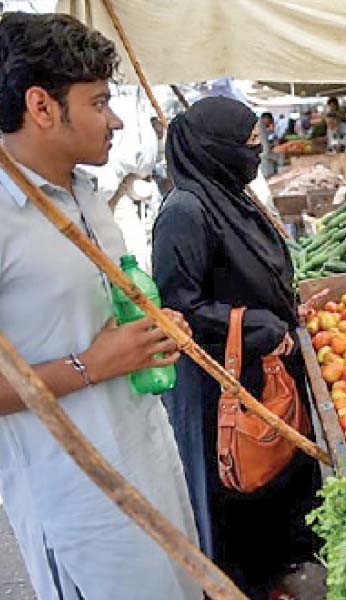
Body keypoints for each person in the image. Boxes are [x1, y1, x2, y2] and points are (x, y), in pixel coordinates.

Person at [0, 12, 201, 600]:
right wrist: (94, 364)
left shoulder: (87, 193)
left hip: (148, 456)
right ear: (42, 107)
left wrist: (150, 333)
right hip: (78, 496)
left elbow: (105, 319)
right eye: (98, 103)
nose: (114, 120)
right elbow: (94, 352)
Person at [152, 96, 322, 597]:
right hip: (217, 386)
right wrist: (257, 325)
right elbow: (178, 308)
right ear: (215, 149)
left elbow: (253, 274)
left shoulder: (235, 197)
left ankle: (279, 575)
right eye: (249, 145)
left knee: (273, 482)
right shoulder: (184, 211)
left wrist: (289, 311)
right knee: (234, 489)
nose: (258, 154)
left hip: (261, 370)